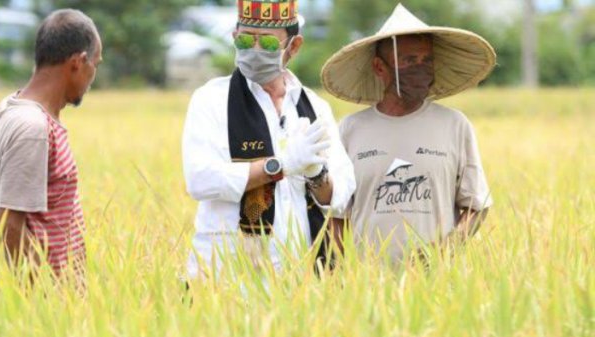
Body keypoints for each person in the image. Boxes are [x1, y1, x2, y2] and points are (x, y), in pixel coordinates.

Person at [182, 0, 355, 278]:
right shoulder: (211, 100)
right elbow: (201, 180)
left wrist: (316, 174)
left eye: (269, 44)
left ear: (294, 46)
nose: (255, 51)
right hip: (226, 277)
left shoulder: (315, 107)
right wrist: (281, 165)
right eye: (246, 40)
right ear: (234, 38)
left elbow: (340, 196)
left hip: (303, 276)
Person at [321, 4, 495, 260]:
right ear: (380, 68)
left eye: (427, 61)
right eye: (409, 61)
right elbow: (337, 215)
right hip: (367, 287)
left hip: (437, 285)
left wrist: (443, 252)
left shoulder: (455, 125)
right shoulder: (350, 129)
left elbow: (476, 206)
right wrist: (342, 272)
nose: (420, 68)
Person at [0, 9, 102, 277]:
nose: (92, 78)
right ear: (78, 62)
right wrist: (52, 292)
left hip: (9, 299)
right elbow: (9, 227)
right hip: (35, 307)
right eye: (95, 64)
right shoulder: (34, 128)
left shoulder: (5, 109)